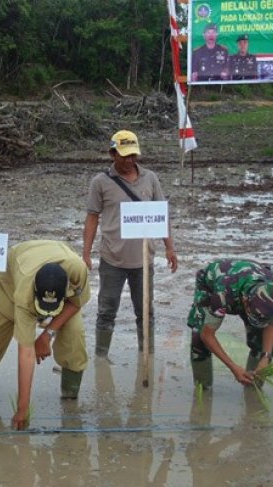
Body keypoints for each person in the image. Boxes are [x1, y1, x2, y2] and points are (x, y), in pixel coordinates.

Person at [0, 240, 91, 431]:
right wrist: (22, 409)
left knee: (75, 337)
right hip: (10, 285)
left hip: (55, 273)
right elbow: (26, 352)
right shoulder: (24, 292)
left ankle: (70, 398)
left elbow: (76, 302)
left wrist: (47, 335)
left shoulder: (77, 270)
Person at [82, 130, 178, 357]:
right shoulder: (100, 183)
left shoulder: (150, 178)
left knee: (145, 312)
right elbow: (92, 217)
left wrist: (170, 247)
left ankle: (147, 355)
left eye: (133, 155)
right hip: (112, 259)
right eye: (124, 155)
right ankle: (101, 357)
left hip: (143, 261)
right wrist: (86, 253)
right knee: (106, 311)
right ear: (112, 154)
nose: (130, 160)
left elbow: (160, 215)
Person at [187, 259, 273, 388]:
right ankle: (203, 388)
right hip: (215, 283)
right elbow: (207, 335)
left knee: (261, 341)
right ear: (245, 303)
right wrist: (233, 367)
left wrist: (266, 357)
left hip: (248, 283)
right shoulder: (223, 294)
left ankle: (253, 385)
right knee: (199, 339)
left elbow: (272, 325)